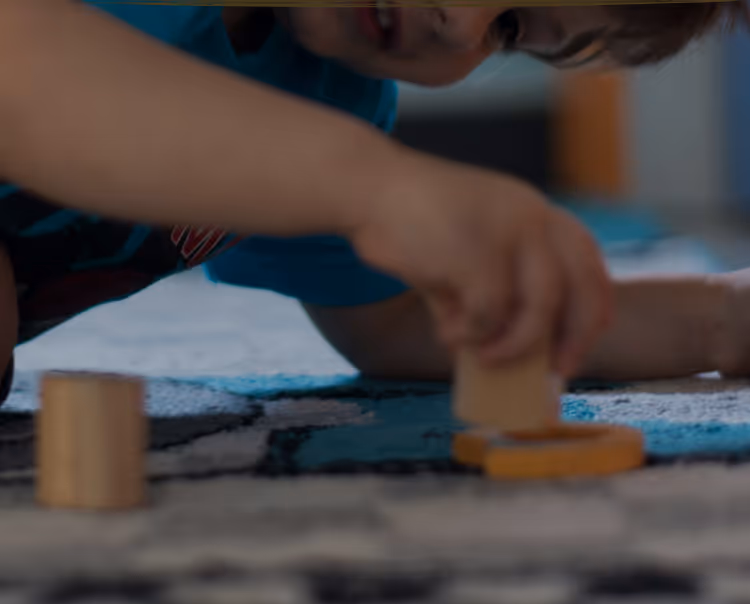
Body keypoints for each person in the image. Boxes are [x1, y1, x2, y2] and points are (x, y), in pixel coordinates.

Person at [0, 1, 743, 407]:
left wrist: (715, 318)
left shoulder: (327, 95)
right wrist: (374, 186)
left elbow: (396, 322)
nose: (466, 18)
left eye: (511, 27)